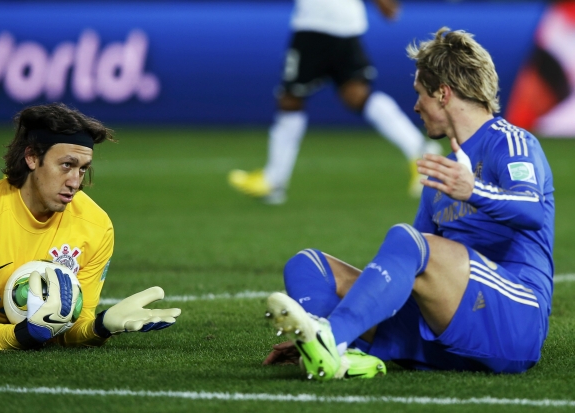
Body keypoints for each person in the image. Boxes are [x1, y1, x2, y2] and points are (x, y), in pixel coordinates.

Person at [264, 27, 555, 380]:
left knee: (408, 240)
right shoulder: (443, 173)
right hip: (446, 335)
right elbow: (411, 269)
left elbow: (532, 210)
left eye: (420, 94)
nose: (416, 106)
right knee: (308, 265)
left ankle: (331, 338)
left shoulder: (510, 142)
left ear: (443, 93)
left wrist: (474, 191)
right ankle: (331, 348)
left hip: (514, 323)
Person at [0, 103, 181, 350]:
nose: (75, 182)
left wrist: (99, 327)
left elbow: (71, 328)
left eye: (83, 168)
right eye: (66, 165)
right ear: (32, 157)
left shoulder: (96, 227)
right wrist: (26, 335)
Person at [228, 0, 440, 204]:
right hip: (338, 23)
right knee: (354, 95)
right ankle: (420, 148)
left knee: (292, 99)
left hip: (317, 25)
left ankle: (274, 181)